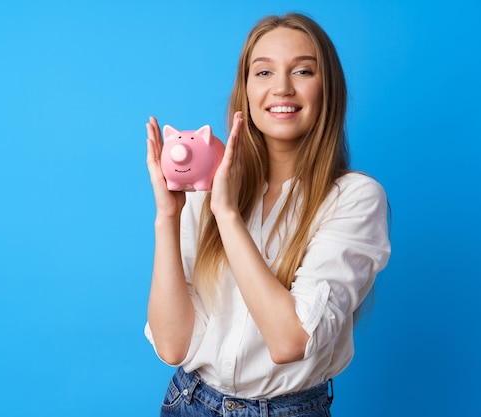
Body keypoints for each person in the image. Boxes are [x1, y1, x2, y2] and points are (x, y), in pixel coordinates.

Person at [144, 12, 391, 417]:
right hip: (187, 403)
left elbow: (289, 341)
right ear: (245, 89)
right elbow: (172, 347)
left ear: (328, 89)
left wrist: (227, 214)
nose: (281, 88)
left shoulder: (355, 199)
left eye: (303, 71)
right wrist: (168, 218)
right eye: (263, 72)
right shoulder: (204, 189)